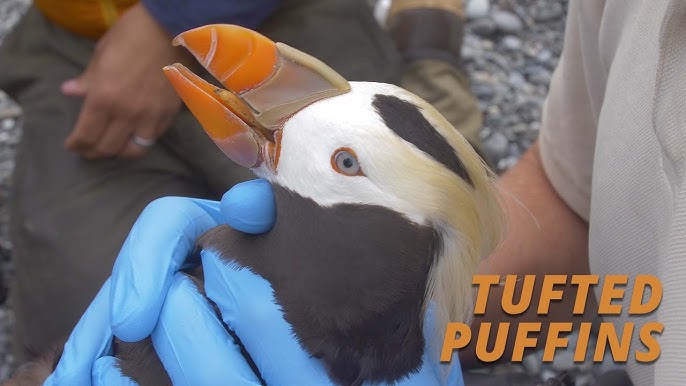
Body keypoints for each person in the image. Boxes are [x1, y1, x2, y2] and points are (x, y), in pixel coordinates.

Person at [1, 0, 488, 364]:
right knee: (77, 332)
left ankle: (428, 48)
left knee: (437, 209)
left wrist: (169, 16)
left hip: (277, 11)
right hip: (79, 33)